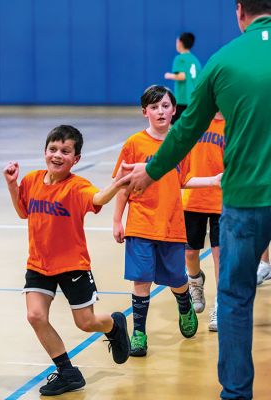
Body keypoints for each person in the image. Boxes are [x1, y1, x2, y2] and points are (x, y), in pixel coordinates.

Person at [123, 1, 271, 399]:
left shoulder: (223, 60)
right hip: (233, 196)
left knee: (237, 296)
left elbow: (186, 129)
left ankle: (237, 394)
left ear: (240, 11)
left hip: (243, 197)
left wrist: (150, 170)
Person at [3, 125, 131, 397]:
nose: (57, 155)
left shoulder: (77, 186)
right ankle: (68, 372)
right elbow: (23, 212)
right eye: (53, 149)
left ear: (76, 159)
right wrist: (12, 185)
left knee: (85, 323)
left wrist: (117, 184)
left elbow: (97, 198)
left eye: (65, 151)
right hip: (38, 263)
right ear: (45, 151)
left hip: (73, 265)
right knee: (35, 315)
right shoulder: (32, 180)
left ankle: (113, 324)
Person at [112, 85, 222, 357]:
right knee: (141, 280)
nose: (160, 111)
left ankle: (184, 302)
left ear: (174, 110)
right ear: (144, 112)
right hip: (140, 223)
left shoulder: (179, 144)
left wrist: (213, 180)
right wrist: (117, 220)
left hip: (172, 224)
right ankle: (139, 334)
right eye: (154, 107)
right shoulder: (134, 144)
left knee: (175, 278)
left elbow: (185, 179)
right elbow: (122, 185)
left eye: (165, 106)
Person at [183, 112, 225, 332]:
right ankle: (195, 281)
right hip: (193, 197)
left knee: (220, 256)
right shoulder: (195, 121)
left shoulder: (235, 121)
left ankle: (220, 305)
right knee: (190, 253)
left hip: (223, 199)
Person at [164, 32, 201, 123]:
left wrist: (169, 75)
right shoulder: (195, 60)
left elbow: (182, 76)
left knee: (172, 124)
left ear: (180, 43)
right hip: (193, 98)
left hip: (182, 99)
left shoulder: (180, 58)